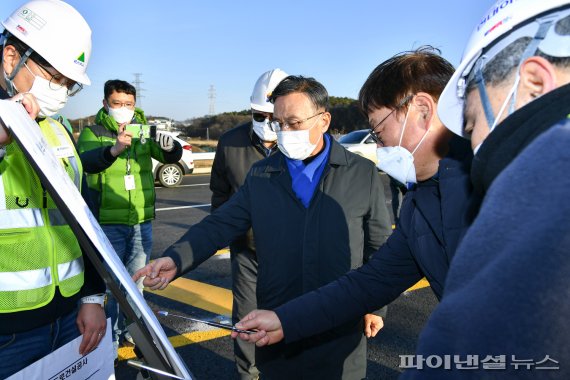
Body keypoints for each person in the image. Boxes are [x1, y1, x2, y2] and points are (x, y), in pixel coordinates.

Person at [134, 75, 393, 379]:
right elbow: (220, 224)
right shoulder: (261, 175)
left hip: (339, 328)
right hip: (277, 324)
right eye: (279, 123)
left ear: (323, 121)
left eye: (294, 123)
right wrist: (175, 259)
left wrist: (377, 307)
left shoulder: (361, 173)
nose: (284, 132)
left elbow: (380, 247)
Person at [230, 47, 480, 349]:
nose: (379, 144)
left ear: (423, 111)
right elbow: (370, 282)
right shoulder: (418, 205)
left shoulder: (498, 185)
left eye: (378, 129)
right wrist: (285, 320)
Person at [399, 0, 570, 377]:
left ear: (536, 85)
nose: (471, 144)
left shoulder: (549, 172)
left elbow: (464, 359)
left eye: (472, 122)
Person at [0, 1, 107, 378]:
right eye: (54, 77)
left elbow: (84, 218)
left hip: (68, 316)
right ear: (12, 55)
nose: (60, 92)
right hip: (6, 332)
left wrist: (92, 296)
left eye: (68, 84)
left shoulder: (57, 129)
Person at [77, 79, 182, 357]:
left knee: (136, 286)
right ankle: (107, 344)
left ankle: (131, 334)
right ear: (105, 104)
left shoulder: (144, 133)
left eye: (129, 104)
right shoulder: (94, 132)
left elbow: (171, 156)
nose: (124, 109)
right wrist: (115, 149)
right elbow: (84, 162)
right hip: (106, 224)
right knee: (110, 288)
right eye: (117, 104)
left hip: (140, 221)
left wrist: (169, 144)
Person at [210, 68, 288, 379]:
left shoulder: (299, 142)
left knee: (290, 315)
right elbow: (219, 192)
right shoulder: (230, 143)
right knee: (245, 318)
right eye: (260, 115)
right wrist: (225, 231)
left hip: (290, 249)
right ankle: (249, 374)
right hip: (246, 249)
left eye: (275, 117)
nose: (267, 124)